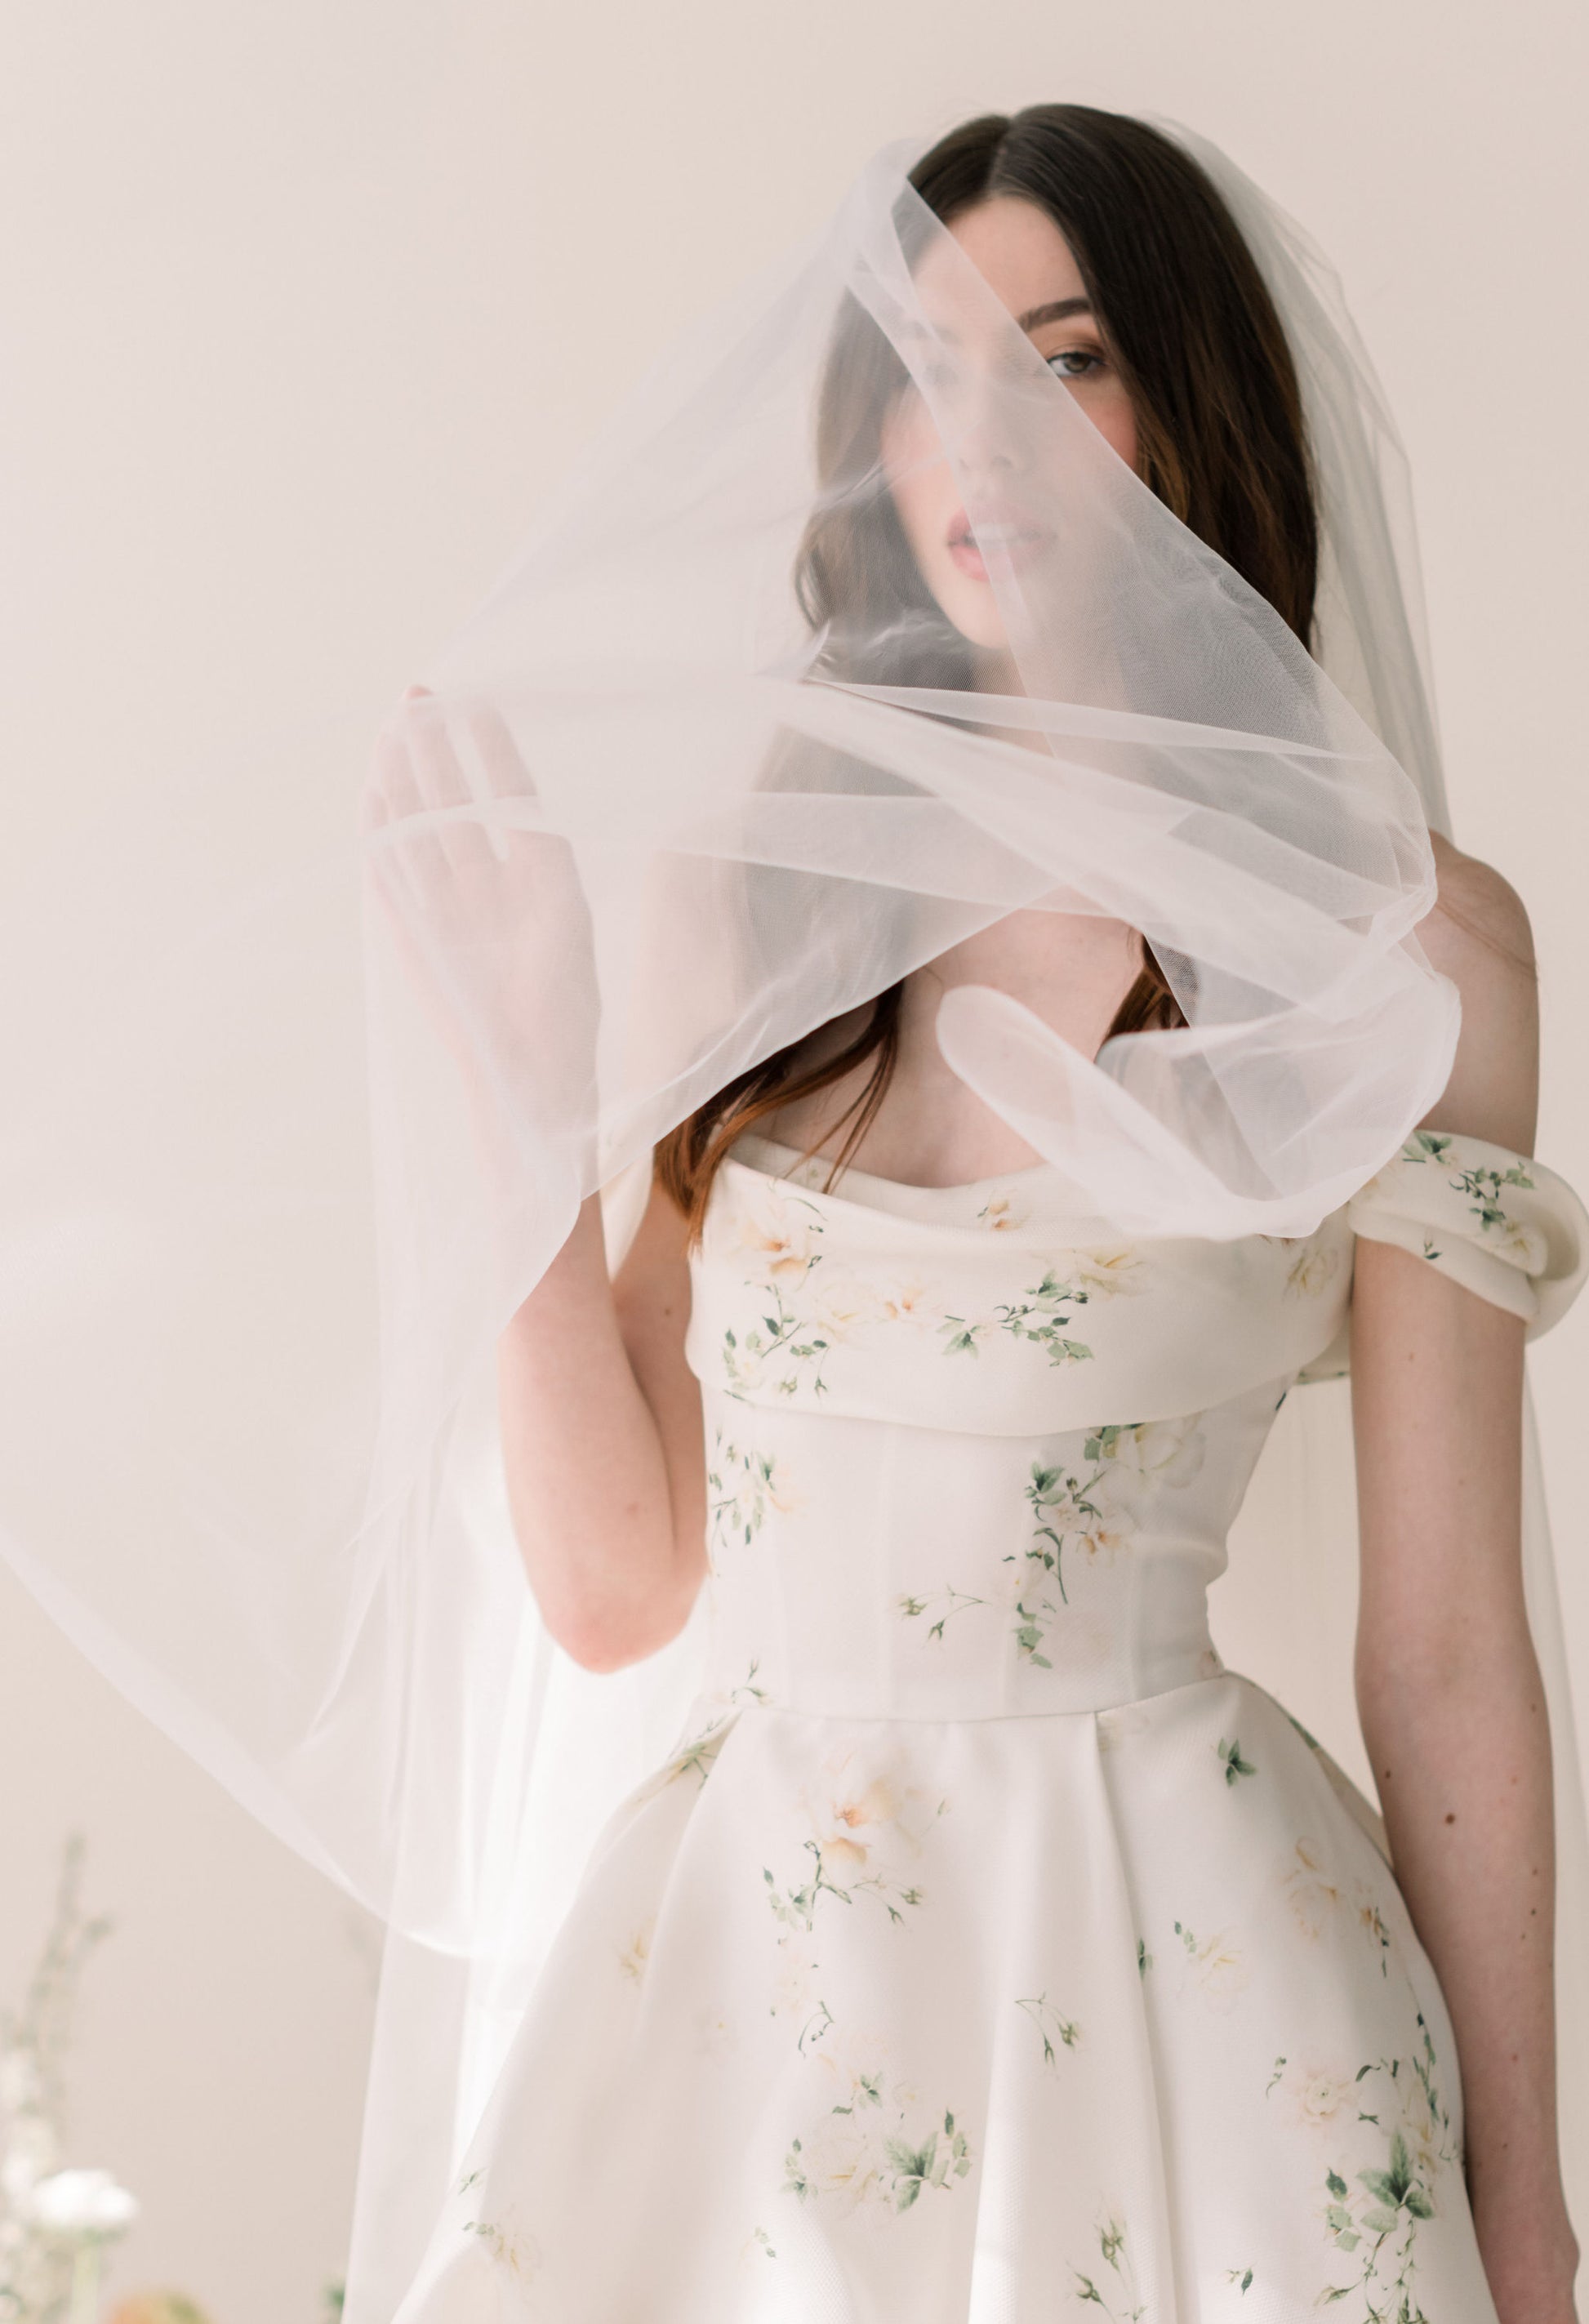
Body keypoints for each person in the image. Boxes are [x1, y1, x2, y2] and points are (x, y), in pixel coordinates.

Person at [363, 107, 1587, 2322]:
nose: (983, 441)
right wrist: (519, 1096)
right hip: (761, 1982)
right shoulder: (748, 902)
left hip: (1190, 1971)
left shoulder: (1404, 957)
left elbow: (1441, 1655)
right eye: (924, 376)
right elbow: (620, 1580)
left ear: (1190, 401)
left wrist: (1526, 2201)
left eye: (1065, 357)